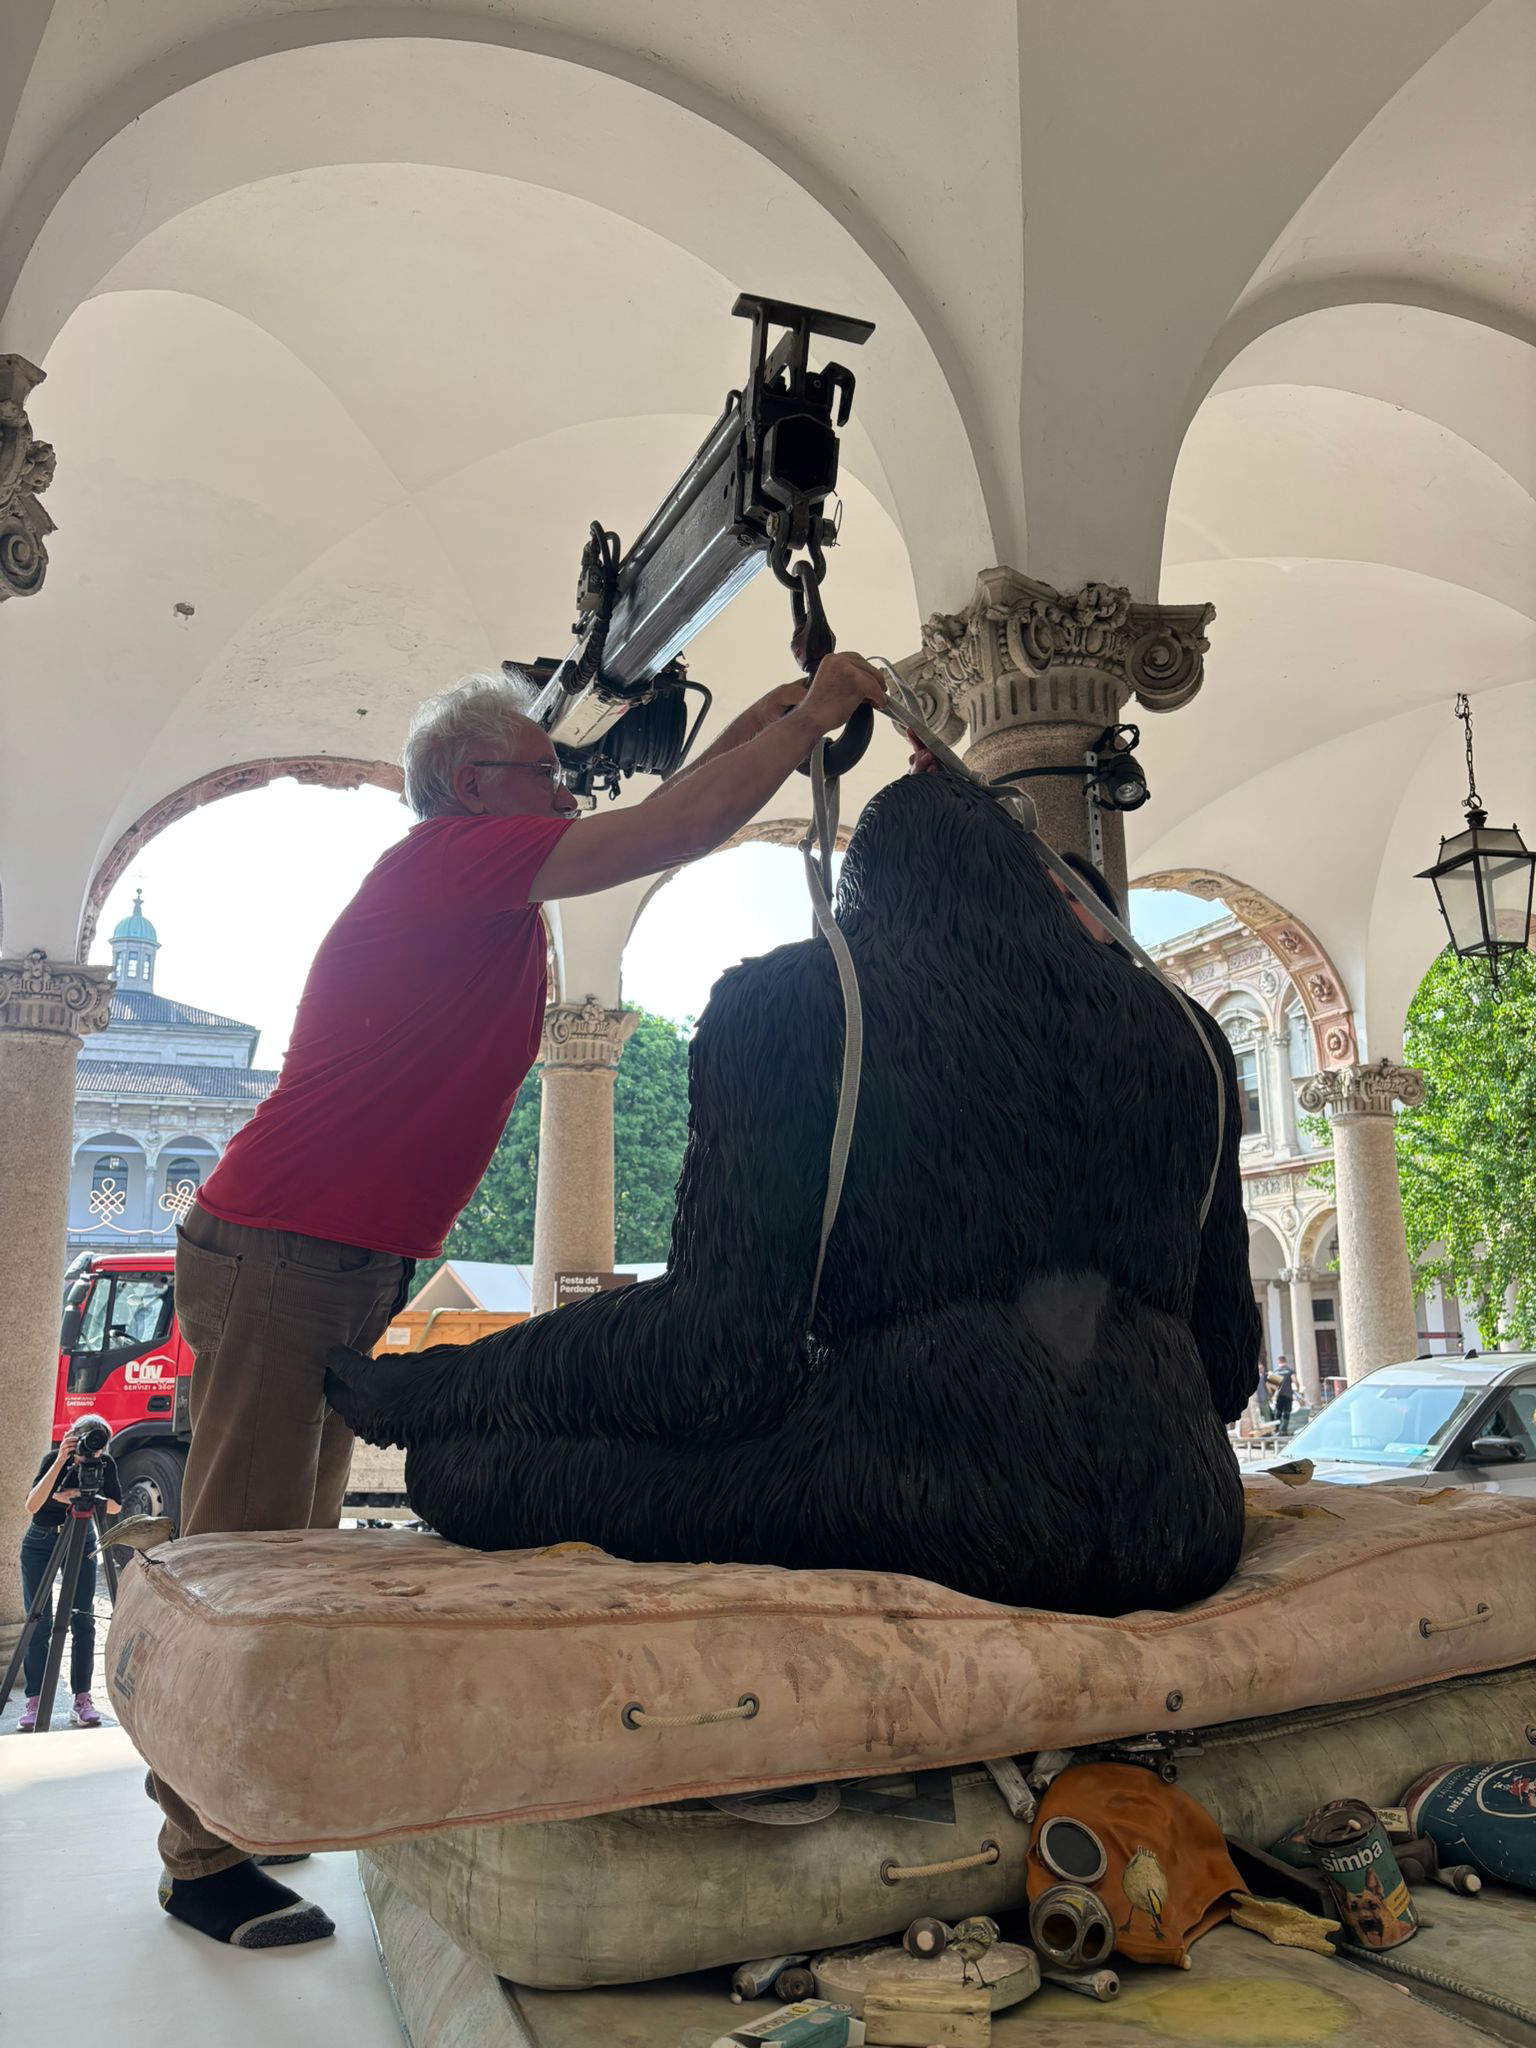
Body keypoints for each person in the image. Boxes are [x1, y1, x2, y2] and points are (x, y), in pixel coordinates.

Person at [144, 652, 886, 1950]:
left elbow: (673, 809)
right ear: (475, 784)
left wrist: (784, 714)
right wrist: (810, 721)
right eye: (546, 770)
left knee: (289, 1553)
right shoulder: (455, 860)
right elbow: (673, 830)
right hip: (281, 1250)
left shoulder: (484, 881)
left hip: (327, 1257)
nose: (566, 786)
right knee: (250, 1557)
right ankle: (199, 1857)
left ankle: (241, 1810)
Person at [17, 1415, 121, 1731]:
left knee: (83, 1618)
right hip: (41, 1540)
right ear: (72, 1436)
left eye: (98, 1444)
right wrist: (62, 1458)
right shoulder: (55, 1458)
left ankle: (83, 1699)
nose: (91, 1450)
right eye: (85, 1440)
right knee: (39, 1621)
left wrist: (87, 1498)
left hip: (82, 1535)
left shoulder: (106, 1464)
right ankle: (35, 1701)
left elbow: (116, 1506)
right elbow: (32, 1505)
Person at [1272, 1359, 1295, 1436]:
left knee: (1278, 1413)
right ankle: (1283, 1431)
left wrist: (1274, 1394)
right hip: (1288, 1395)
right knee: (1286, 1413)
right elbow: (1295, 1380)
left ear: (1278, 1362)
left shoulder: (1276, 1372)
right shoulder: (1290, 1371)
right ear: (1285, 1361)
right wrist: (1297, 1389)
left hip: (1279, 1396)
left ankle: (1277, 1430)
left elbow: (1272, 1386)